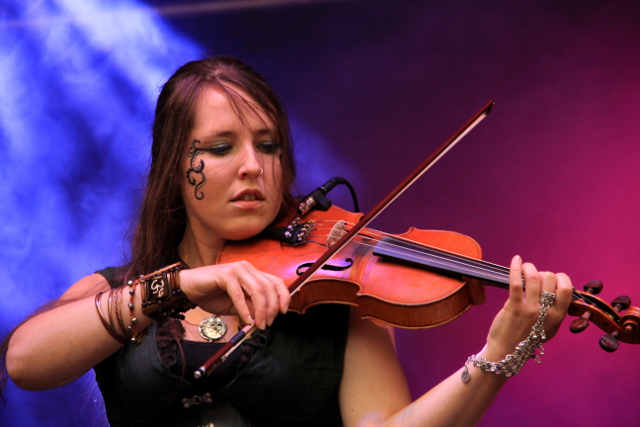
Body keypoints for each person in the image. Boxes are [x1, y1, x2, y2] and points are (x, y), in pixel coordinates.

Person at [1, 56, 573, 427]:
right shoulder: (116, 292)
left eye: (269, 146)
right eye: (221, 148)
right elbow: (25, 361)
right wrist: (178, 286)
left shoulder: (335, 302)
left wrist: (501, 354)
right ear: (175, 165)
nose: (253, 166)